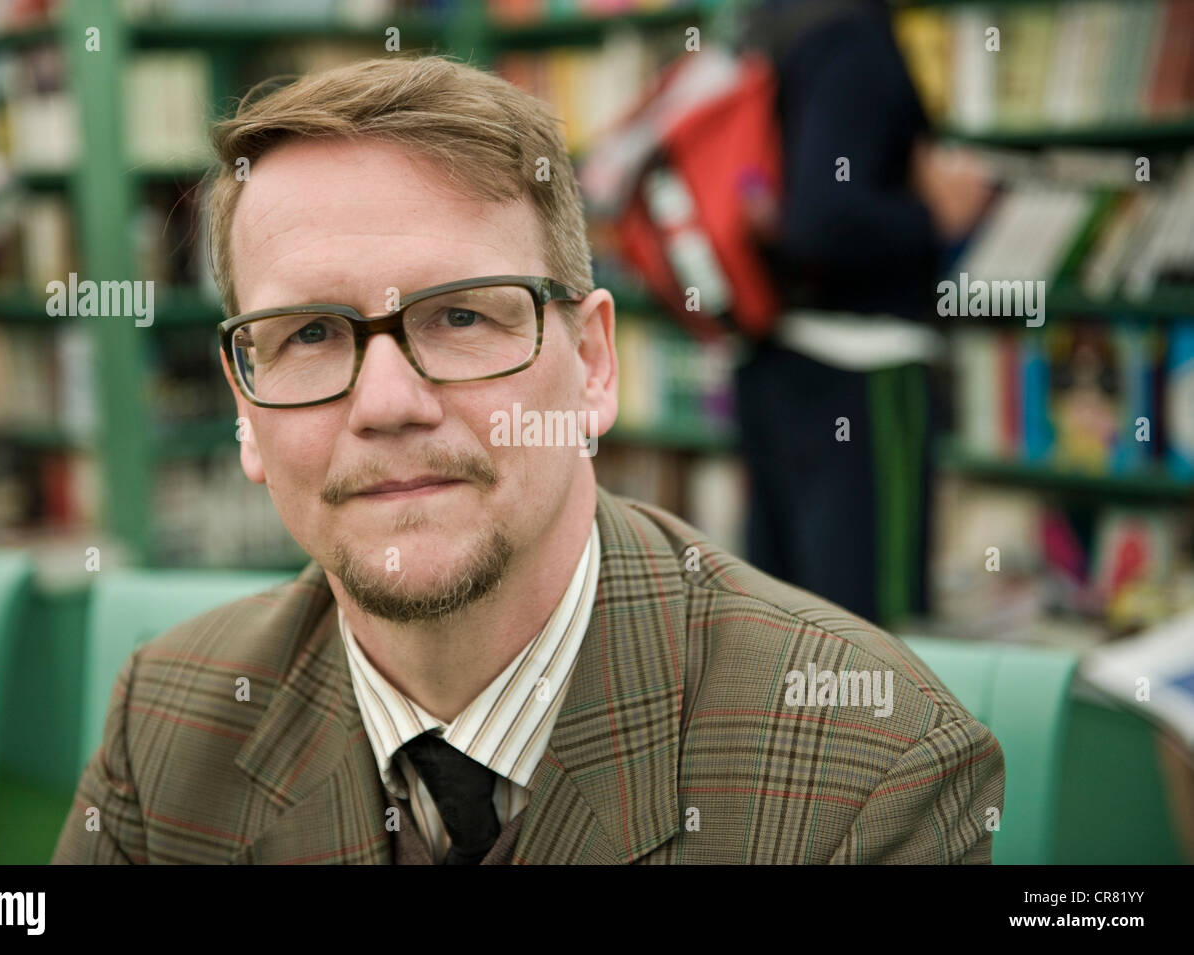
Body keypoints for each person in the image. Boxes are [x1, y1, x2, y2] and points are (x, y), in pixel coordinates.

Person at [52, 55, 1002, 865]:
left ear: (592, 365)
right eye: (307, 333)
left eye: (461, 314)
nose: (387, 403)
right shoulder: (162, 722)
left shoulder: (867, 775)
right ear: (245, 413)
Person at [735, 0, 992, 627]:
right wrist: (937, 217)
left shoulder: (777, 28)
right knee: (877, 646)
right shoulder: (855, 44)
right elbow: (823, 222)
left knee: (787, 635)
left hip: (778, 366)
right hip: (862, 377)